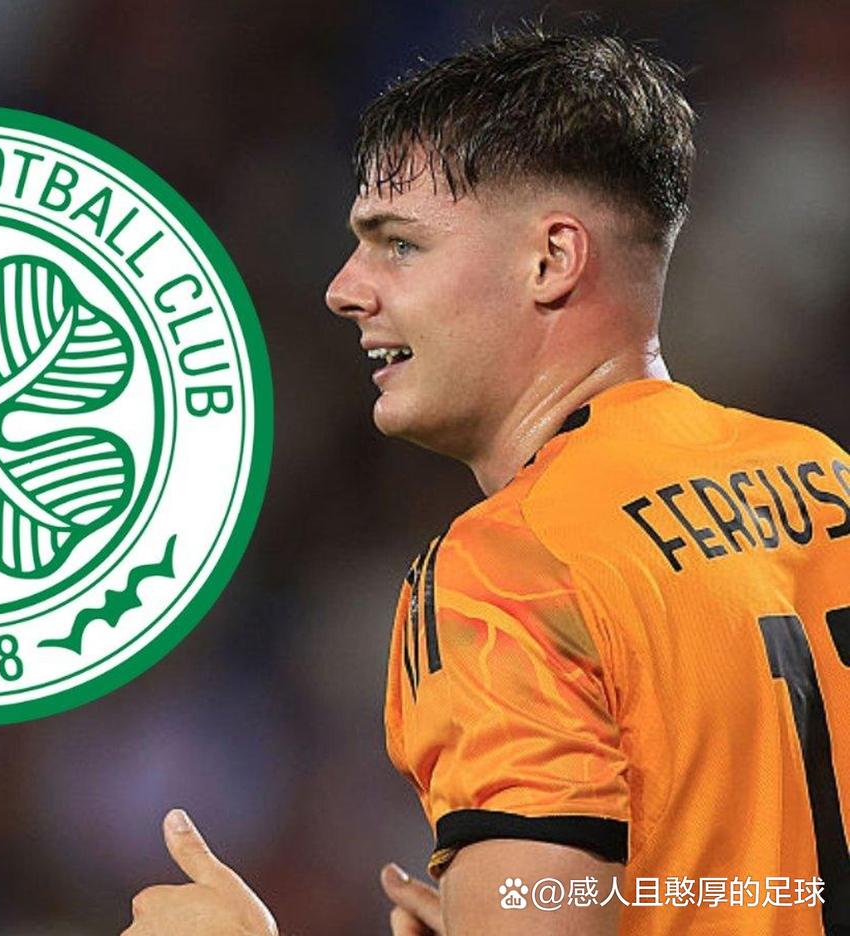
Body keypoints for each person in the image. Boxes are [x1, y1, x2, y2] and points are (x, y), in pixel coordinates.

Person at [122, 26, 850, 936]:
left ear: (551, 260)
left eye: (399, 245)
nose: (344, 289)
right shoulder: (825, 474)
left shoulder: (508, 573)